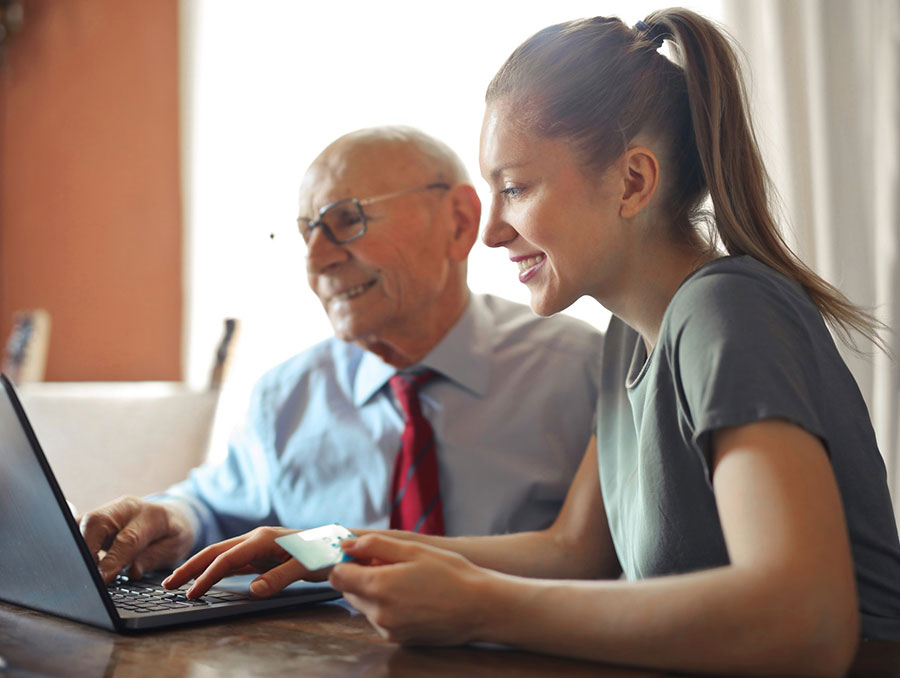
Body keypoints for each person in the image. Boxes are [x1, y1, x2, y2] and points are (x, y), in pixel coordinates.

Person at [164, 9, 900, 676]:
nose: (490, 232)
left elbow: (808, 624)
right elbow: (571, 552)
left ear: (633, 181)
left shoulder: (725, 311)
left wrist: (479, 606)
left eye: (514, 188)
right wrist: (326, 546)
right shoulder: (627, 340)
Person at [79, 126, 603, 584]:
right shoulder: (286, 395)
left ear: (460, 222)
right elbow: (214, 507)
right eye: (307, 232)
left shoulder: (582, 371)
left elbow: (600, 560)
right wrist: (172, 519)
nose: (317, 261)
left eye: (346, 220)